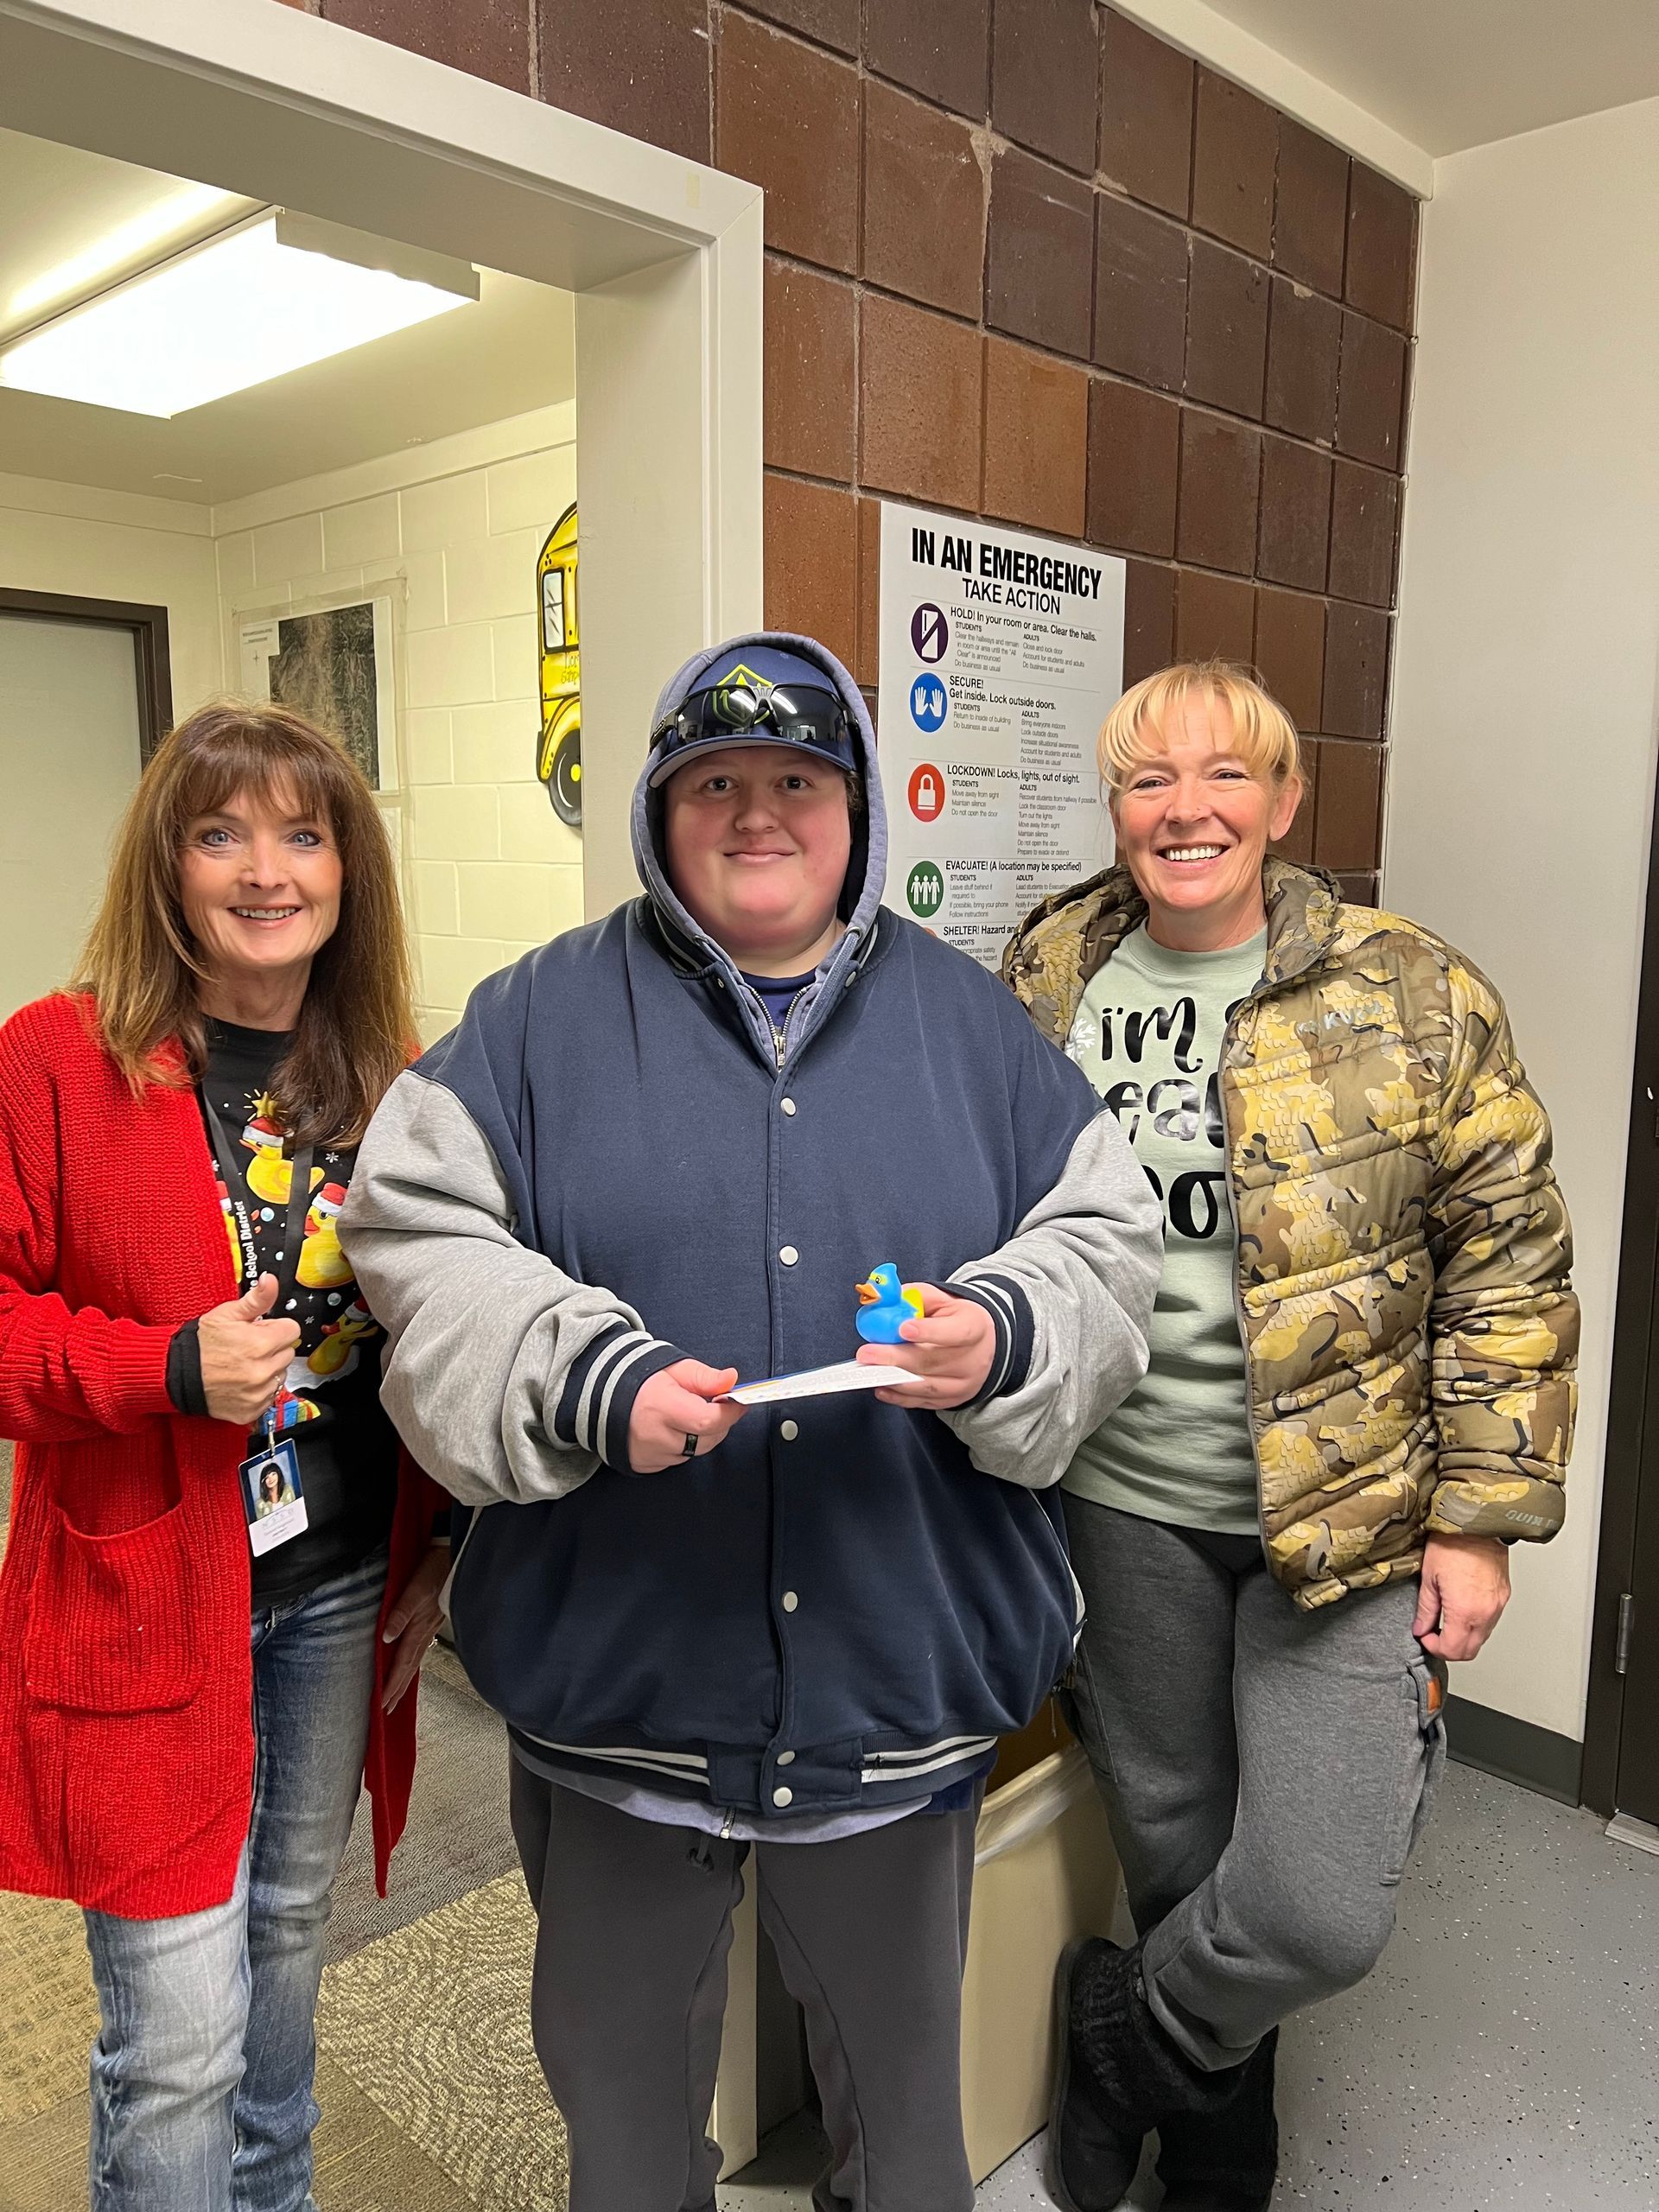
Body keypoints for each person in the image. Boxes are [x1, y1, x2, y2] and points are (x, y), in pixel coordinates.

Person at [341, 634, 1163, 2212]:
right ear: (658, 810)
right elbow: (414, 1244)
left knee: (907, 2134)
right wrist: (579, 1374)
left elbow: (1106, 1248)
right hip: (618, 1700)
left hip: (895, 1692)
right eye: (715, 783)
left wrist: (1000, 1333)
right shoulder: (528, 1023)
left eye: (797, 779)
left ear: (855, 807)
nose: (758, 813)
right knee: (628, 2128)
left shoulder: (979, 1032)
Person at [1002, 661, 1578, 2212]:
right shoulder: (1051, 966)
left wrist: (1478, 1518)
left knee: (1320, 1904)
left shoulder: (1412, 988)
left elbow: (1511, 1258)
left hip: (1352, 1511)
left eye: (1223, 775)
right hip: (1120, 1495)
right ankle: (1221, 2133)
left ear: (1284, 801)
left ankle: (1127, 2033)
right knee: (1175, 1840)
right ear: (1114, 805)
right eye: (1146, 779)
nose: (1184, 809)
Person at [0, 702, 450, 2212]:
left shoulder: (391, 1073)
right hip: (144, 1595)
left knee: (286, 1955)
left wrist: (437, 1554)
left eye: (304, 834)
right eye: (221, 833)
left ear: (348, 868)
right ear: (167, 865)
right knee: (182, 2031)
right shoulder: (60, 1061)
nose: (267, 870)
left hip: (332, 1588)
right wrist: (159, 1368)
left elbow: (435, 1333)